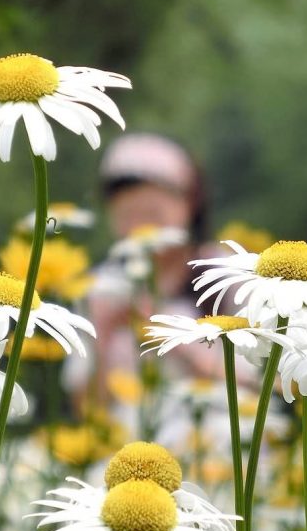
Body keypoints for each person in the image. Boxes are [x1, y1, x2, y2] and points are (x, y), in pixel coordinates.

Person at [64, 133, 257, 435]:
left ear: (191, 203)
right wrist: (102, 332)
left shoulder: (226, 275)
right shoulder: (100, 287)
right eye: (129, 213)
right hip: (127, 450)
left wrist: (161, 327)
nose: (142, 226)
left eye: (153, 212)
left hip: (220, 448)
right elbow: (85, 410)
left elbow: (259, 387)